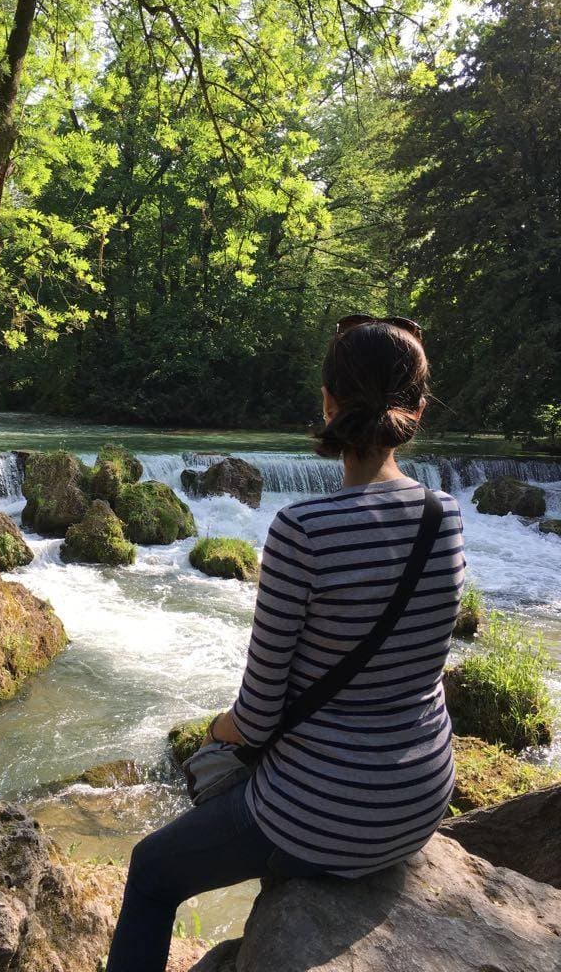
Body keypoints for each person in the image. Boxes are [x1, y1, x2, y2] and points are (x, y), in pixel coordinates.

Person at [105, 315, 466, 972]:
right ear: (415, 408)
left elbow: (259, 716)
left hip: (326, 813)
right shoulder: (446, 517)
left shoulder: (303, 530)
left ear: (327, 403)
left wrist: (214, 730)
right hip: (422, 795)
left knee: (151, 871)